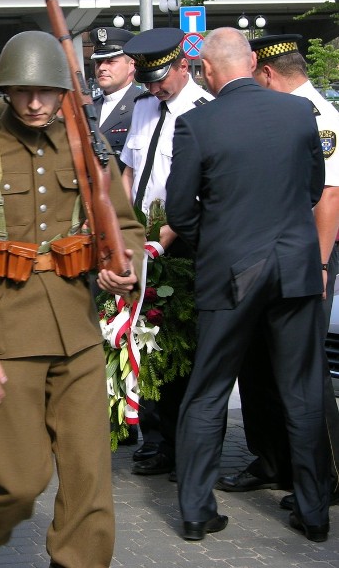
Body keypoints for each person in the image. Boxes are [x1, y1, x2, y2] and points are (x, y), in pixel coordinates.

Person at [0, 30, 144, 568]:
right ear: (3, 93)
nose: (36, 102)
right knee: (20, 480)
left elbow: (128, 224)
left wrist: (124, 264)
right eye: (23, 91)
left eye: (47, 91)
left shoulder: (85, 145)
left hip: (76, 328)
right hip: (3, 335)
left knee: (90, 478)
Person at [167, 27, 331, 542]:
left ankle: (196, 512)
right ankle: (314, 512)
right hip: (296, 268)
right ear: (253, 59)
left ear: (208, 72)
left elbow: (178, 211)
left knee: (209, 391)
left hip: (231, 273)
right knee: (302, 391)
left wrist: (213, 245)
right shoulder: (298, 113)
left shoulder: (197, 123)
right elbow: (310, 189)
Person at [215, 34, 339, 508]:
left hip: (307, 256)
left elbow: (327, 196)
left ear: (265, 73)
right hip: (266, 254)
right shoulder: (278, 113)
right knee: (259, 361)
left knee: (305, 370)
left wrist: (322, 263)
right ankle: (271, 460)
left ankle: (323, 478)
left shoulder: (317, 117)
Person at [120, 27, 212, 477]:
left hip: (180, 243)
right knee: (143, 341)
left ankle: (183, 446)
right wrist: (121, 230)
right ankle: (154, 439)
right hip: (140, 241)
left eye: (161, 79)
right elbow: (128, 173)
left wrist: (162, 239)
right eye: (148, 81)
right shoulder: (142, 108)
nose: (154, 89)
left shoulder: (206, 112)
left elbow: (198, 191)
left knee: (181, 349)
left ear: (182, 65)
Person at [89, 26, 143, 172]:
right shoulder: (88, 108)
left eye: (111, 61)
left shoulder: (143, 107)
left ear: (131, 65)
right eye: (99, 62)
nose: (102, 68)